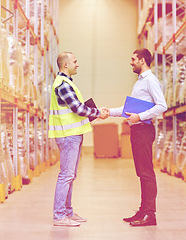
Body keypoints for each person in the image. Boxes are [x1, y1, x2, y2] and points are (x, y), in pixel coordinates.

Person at [103, 48, 167, 227]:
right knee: (141, 173)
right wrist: (109, 112)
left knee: (146, 173)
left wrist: (140, 117)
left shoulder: (150, 80)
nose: (130, 62)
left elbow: (162, 105)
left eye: (133, 59)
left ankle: (150, 215)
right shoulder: (139, 82)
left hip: (144, 130)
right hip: (138, 130)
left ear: (142, 60)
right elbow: (129, 109)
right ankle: (143, 210)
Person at [48, 52, 109, 227]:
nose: (77, 64)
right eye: (75, 61)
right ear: (65, 65)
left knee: (70, 175)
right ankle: (59, 216)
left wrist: (96, 114)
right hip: (68, 137)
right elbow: (78, 109)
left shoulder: (66, 83)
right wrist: (99, 113)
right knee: (66, 176)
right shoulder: (63, 84)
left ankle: (67, 212)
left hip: (72, 135)